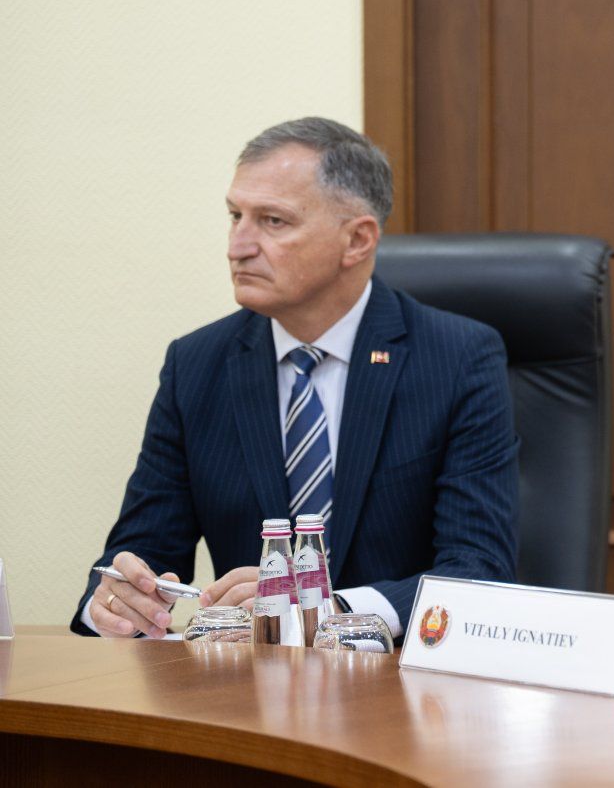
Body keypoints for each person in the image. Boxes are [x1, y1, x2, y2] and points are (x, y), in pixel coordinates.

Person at [73, 117, 519, 642]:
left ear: (357, 240)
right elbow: (143, 553)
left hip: (400, 675)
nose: (238, 246)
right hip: (249, 680)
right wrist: (116, 601)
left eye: (273, 221)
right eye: (235, 216)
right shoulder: (195, 364)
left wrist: (329, 611)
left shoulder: (457, 357)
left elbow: (479, 570)